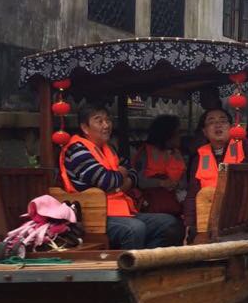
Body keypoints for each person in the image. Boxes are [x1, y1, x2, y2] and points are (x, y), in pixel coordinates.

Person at [59, 103, 182, 250]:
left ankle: (145, 262)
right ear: (85, 128)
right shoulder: (77, 150)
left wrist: (120, 180)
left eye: (108, 120)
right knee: (134, 229)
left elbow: (133, 174)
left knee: (170, 223)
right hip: (94, 217)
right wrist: (121, 176)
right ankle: (129, 267)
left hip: (122, 211)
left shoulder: (109, 148)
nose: (106, 125)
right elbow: (105, 181)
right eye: (99, 121)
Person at [185, 107, 247, 242]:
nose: (218, 125)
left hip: (239, 217)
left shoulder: (245, 148)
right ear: (205, 132)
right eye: (211, 121)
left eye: (223, 121)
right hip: (207, 218)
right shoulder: (199, 156)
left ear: (231, 127)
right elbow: (192, 194)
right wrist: (188, 224)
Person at [133, 115, 186, 217]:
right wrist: (161, 183)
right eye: (178, 133)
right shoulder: (145, 153)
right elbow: (138, 181)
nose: (180, 136)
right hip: (151, 207)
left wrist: (176, 184)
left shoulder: (177, 154)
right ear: (167, 135)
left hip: (177, 205)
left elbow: (185, 183)